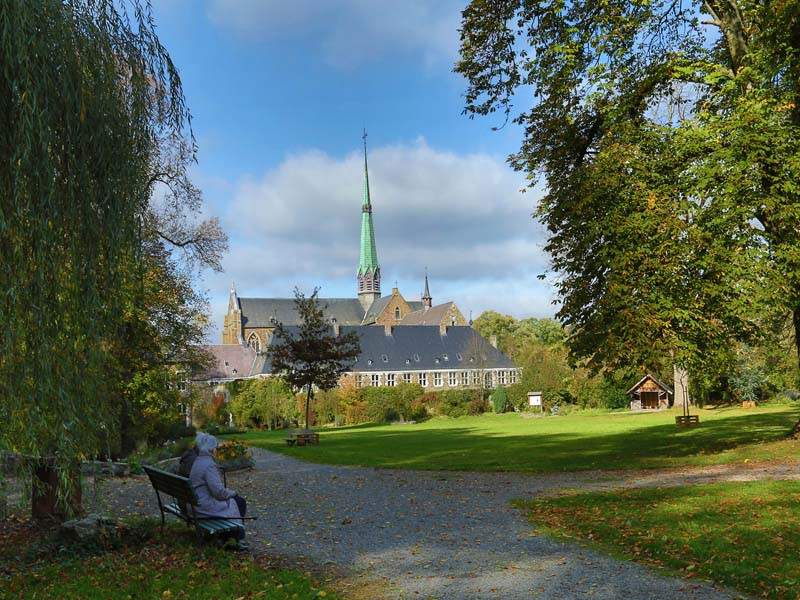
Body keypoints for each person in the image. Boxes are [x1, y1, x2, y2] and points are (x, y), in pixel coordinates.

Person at [189, 432, 248, 550]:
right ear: (211, 449)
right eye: (215, 447)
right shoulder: (209, 465)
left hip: (195, 504)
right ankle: (232, 542)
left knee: (235, 502)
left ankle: (226, 537)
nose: (216, 450)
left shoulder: (198, 461)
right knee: (240, 502)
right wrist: (232, 493)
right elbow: (219, 493)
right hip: (204, 506)